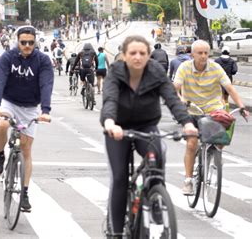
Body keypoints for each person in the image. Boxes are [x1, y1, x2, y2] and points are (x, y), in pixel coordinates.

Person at [101, 35, 198, 238]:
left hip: (146, 125)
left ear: (148, 55)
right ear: (125, 56)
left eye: (142, 53)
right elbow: (110, 99)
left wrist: (187, 123)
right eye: (132, 53)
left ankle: (155, 196)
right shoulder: (116, 72)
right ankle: (116, 232)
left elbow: (172, 99)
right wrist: (110, 123)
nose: (138, 57)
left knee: (157, 157)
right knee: (119, 177)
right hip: (118, 128)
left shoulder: (155, 71)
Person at [173, 40, 249, 195]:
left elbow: (229, 88)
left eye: (206, 53)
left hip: (214, 110)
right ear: (192, 54)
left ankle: (209, 155)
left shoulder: (215, 67)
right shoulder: (184, 68)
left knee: (220, 140)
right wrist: (180, 99)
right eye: (199, 53)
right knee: (191, 143)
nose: (203, 56)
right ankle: (188, 181)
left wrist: (241, 106)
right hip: (192, 110)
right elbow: (175, 88)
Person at [0, 25, 54, 212]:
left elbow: (46, 84)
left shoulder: (42, 60)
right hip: (9, 102)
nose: (27, 46)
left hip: (31, 108)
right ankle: (0, 156)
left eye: (30, 43)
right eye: (23, 42)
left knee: (26, 150)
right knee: (1, 124)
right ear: (17, 42)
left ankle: (24, 193)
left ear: (35, 43)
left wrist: (46, 110)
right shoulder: (8, 57)